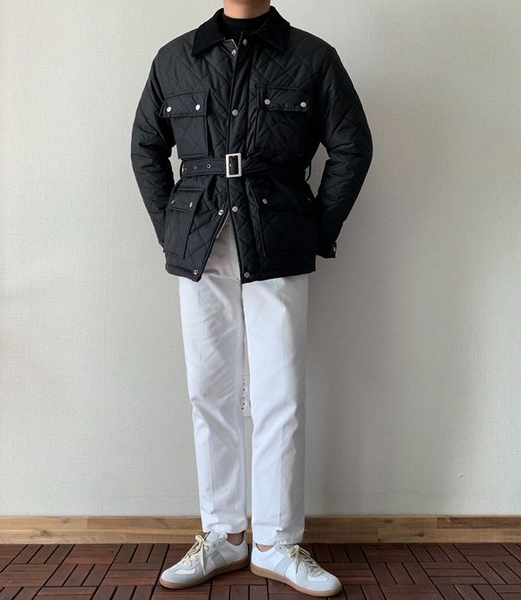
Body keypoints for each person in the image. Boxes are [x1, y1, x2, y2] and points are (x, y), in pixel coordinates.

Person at [130, 0, 373, 596]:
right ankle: (223, 534)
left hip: (278, 238)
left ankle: (275, 541)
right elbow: (146, 149)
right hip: (201, 241)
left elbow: (352, 147)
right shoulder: (175, 59)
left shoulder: (313, 57)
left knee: (280, 392)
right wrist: (173, 229)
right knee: (207, 389)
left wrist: (315, 230)